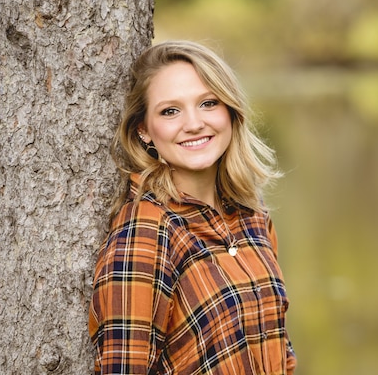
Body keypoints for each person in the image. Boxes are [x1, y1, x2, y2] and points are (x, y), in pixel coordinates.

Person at [89, 40, 297, 375]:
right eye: (170, 111)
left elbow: (280, 350)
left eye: (208, 103)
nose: (194, 123)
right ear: (144, 130)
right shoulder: (146, 234)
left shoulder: (252, 216)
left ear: (230, 111)